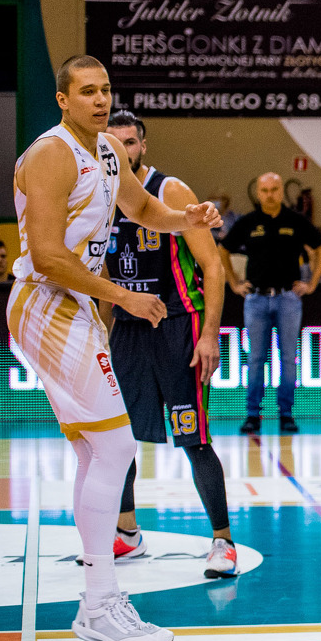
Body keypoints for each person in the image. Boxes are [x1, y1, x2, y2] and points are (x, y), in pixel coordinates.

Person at [9, 55, 220, 641]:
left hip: (75, 304)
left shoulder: (105, 149)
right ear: (62, 99)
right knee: (117, 447)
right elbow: (47, 255)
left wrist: (186, 218)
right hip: (46, 303)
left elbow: (144, 210)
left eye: (105, 89)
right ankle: (100, 602)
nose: (100, 100)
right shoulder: (51, 154)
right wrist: (123, 296)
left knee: (94, 451)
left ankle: (97, 601)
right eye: (87, 91)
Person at [102, 110, 236, 578]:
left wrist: (209, 334)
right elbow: (103, 276)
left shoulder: (170, 191)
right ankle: (127, 533)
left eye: (130, 142)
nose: (122, 150)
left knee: (194, 438)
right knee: (117, 438)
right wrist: (100, 332)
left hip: (178, 325)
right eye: (113, 142)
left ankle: (223, 541)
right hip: (128, 329)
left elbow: (213, 267)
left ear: (143, 146)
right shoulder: (98, 194)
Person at [218, 172, 321, 435]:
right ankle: (253, 415)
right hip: (256, 298)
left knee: (289, 358)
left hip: (288, 298)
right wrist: (234, 283)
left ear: (281, 191)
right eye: (265, 190)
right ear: (258, 193)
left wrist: (312, 282)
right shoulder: (248, 222)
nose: (270, 195)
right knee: (256, 358)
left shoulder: (296, 220)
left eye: (275, 189)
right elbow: (222, 249)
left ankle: (286, 414)